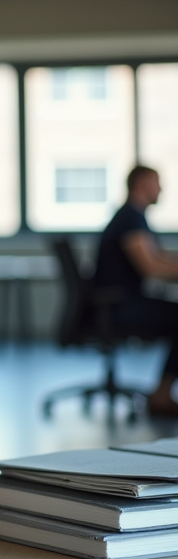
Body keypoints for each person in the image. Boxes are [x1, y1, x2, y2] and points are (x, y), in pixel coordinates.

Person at [93, 165, 178, 415]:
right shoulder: (130, 217)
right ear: (141, 184)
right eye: (157, 182)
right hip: (119, 307)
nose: (161, 188)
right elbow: (150, 267)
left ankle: (163, 391)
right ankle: (162, 394)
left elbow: (158, 258)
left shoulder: (133, 216)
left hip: (119, 303)